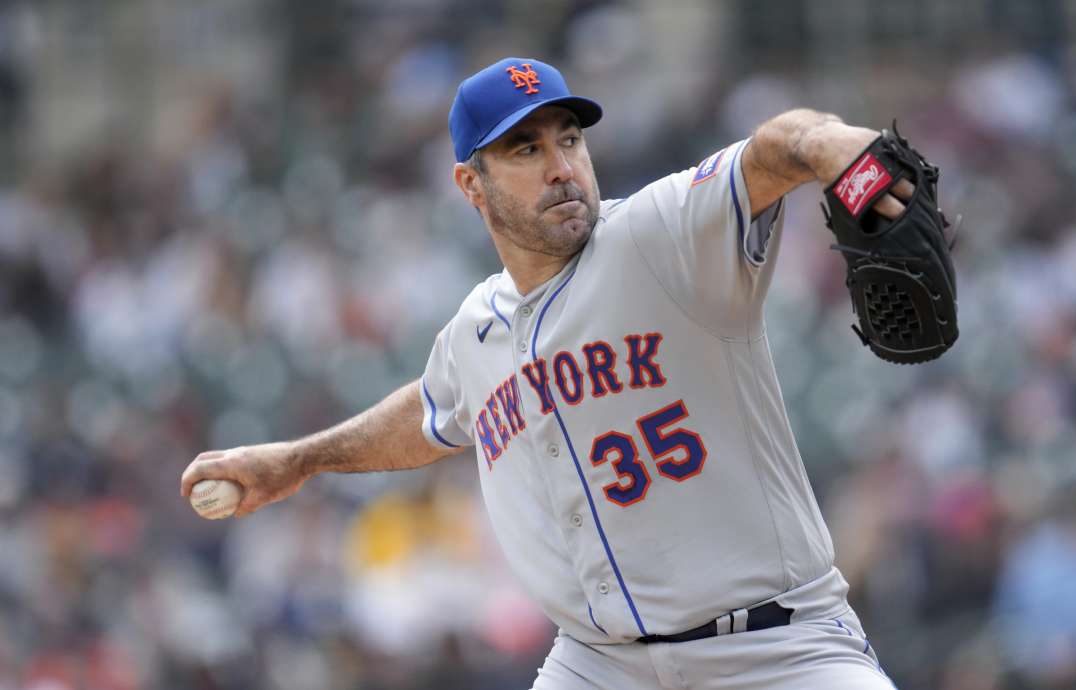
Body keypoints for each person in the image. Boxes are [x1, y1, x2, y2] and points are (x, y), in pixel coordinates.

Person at [181, 56, 920, 689]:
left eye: (569, 138)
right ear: (472, 185)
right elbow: (432, 411)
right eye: (526, 149)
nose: (562, 166)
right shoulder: (476, 328)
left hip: (776, 646)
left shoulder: (658, 235)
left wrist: (828, 144)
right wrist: (298, 460)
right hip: (602, 664)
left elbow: (772, 149)